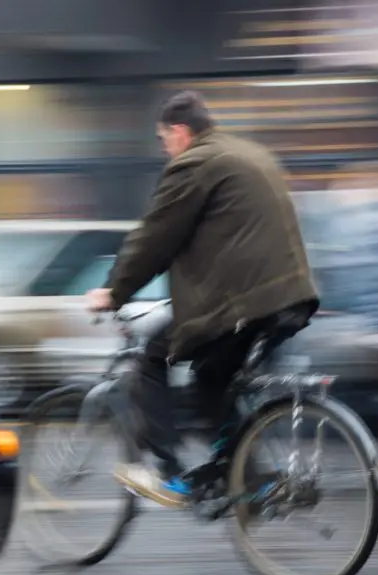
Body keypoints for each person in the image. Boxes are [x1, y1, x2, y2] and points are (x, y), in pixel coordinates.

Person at [85, 91, 320, 508]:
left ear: (178, 131)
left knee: (153, 359)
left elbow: (154, 238)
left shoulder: (195, 163)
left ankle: (171, 475)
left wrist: (114, 291)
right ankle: (250, 478)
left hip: (243, 301)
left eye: (163, 140)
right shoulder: (247, 152)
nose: (165, 150)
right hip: (290, 296)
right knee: (214, 381)